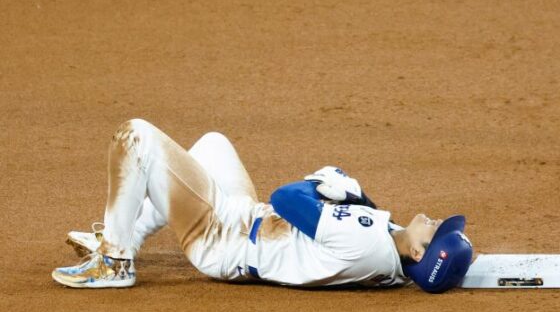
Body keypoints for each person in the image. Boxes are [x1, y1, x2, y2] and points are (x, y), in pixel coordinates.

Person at [52, 119, 473, 293]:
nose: (435, 221)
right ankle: (127, 234)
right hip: (245, 221)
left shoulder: (365, 242)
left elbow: (287, 199)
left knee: (135, 135)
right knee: (212, 144)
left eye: (436, 230)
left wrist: (319, 183)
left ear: (419, 253)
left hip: (221, 236)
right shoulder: (391, 258)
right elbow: (359, 221)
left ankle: (114, 261)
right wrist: (354, 195)